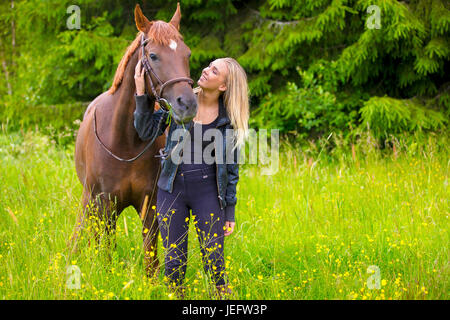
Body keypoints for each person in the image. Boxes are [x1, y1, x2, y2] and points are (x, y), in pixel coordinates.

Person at [133, 57, 249, 299]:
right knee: (174, 262)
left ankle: (223, 299)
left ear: (223, 86)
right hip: (171, 189)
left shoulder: (228, 121)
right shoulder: (181, 102)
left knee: (214, 260)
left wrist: (229, 211)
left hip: (207, 192)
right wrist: (141, 93)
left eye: (214, 70)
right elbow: (145, 131)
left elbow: (231, 169)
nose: (206, 70)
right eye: (209, 65)